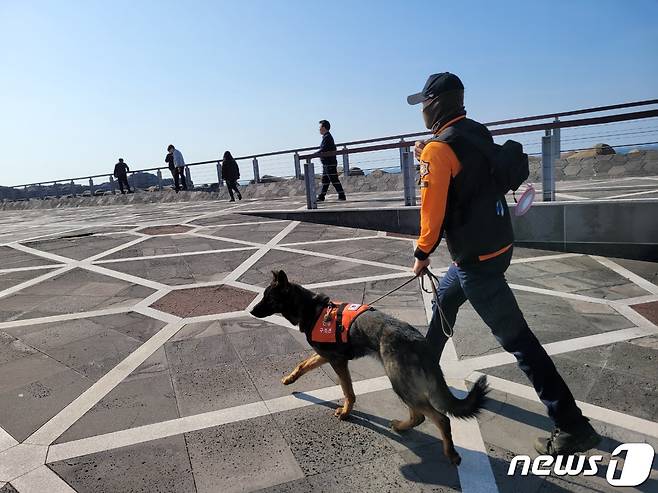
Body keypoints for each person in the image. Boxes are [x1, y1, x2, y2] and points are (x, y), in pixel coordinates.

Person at [407, 72, 601, 456]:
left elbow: (432, 211)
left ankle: (572, 424)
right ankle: (423, 381)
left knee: (520, 342)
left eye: (424, 104)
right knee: (444, 303)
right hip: (496, 246)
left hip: (475, 261)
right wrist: (425, 154)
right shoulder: (475, 131)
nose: (422, 112)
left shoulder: (438, 149)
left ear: (435, 104)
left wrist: (421, 253)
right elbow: (470, 172)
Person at [316, 120, 346, 202]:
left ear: (324, 128)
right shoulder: (326, 137)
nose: (319, 129)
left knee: (333, 179)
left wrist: (315, 154)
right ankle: (321, 197)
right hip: (327, 163)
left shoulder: (327, 137)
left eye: (320, 127)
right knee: (325, 180)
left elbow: (323, 149)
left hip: (330, 163)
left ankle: (342, 195)